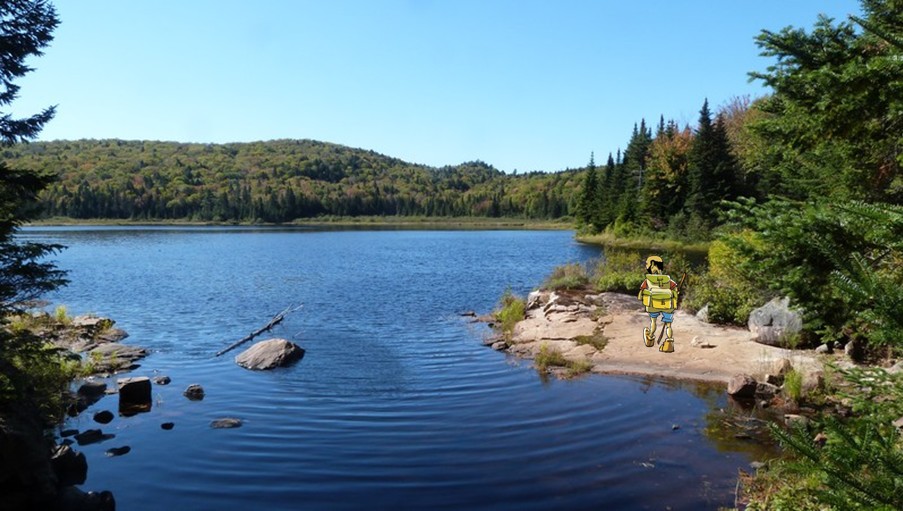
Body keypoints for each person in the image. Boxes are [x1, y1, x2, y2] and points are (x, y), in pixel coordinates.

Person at [637, 255, 678, 353]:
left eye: (647, 264)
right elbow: (675, 289)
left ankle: (650, 338)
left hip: (653, 304)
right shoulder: (668, 279)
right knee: (668, 325)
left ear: (652, 265)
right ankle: (669, 342)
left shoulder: (648, 280)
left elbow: (641, 293)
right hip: (667, 304)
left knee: (653, 322)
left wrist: (641, 297)